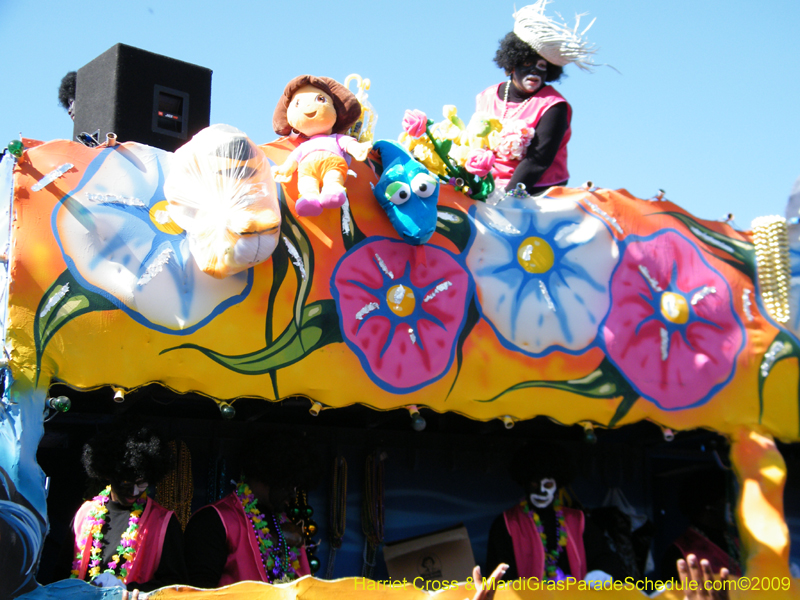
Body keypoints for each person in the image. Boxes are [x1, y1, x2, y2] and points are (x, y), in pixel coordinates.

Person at [476, 1, 596, 196]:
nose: (534, 70)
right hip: (487, 188)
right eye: (528, 63)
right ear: (512, 65)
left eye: (541, 66)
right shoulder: (486, 96)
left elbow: (538, 161)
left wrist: (505, 198)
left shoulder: (555, 107)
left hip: (536, 191)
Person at [183, 431, 319, 587]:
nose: (293, 495)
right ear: (271, 475)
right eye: (289, 485)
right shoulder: (213, 520)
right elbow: (199, 592)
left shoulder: (285, 523)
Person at [67, 423, 187, 593]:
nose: (134, 491)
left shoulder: (164, 522)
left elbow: (175, 587)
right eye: (126, 483)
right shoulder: (84, 514)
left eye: (142, 483)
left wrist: (127, 591)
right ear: (109, 474)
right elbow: (61, 576)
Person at [486, 442, 625, 581]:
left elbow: (604, 557)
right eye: (535, 483)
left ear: (557, 485)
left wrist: (601, 573)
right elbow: (498, 577)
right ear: (525, 483)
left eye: (547, 485)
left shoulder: (578, 521)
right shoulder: (507, 524)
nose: (541, 491)